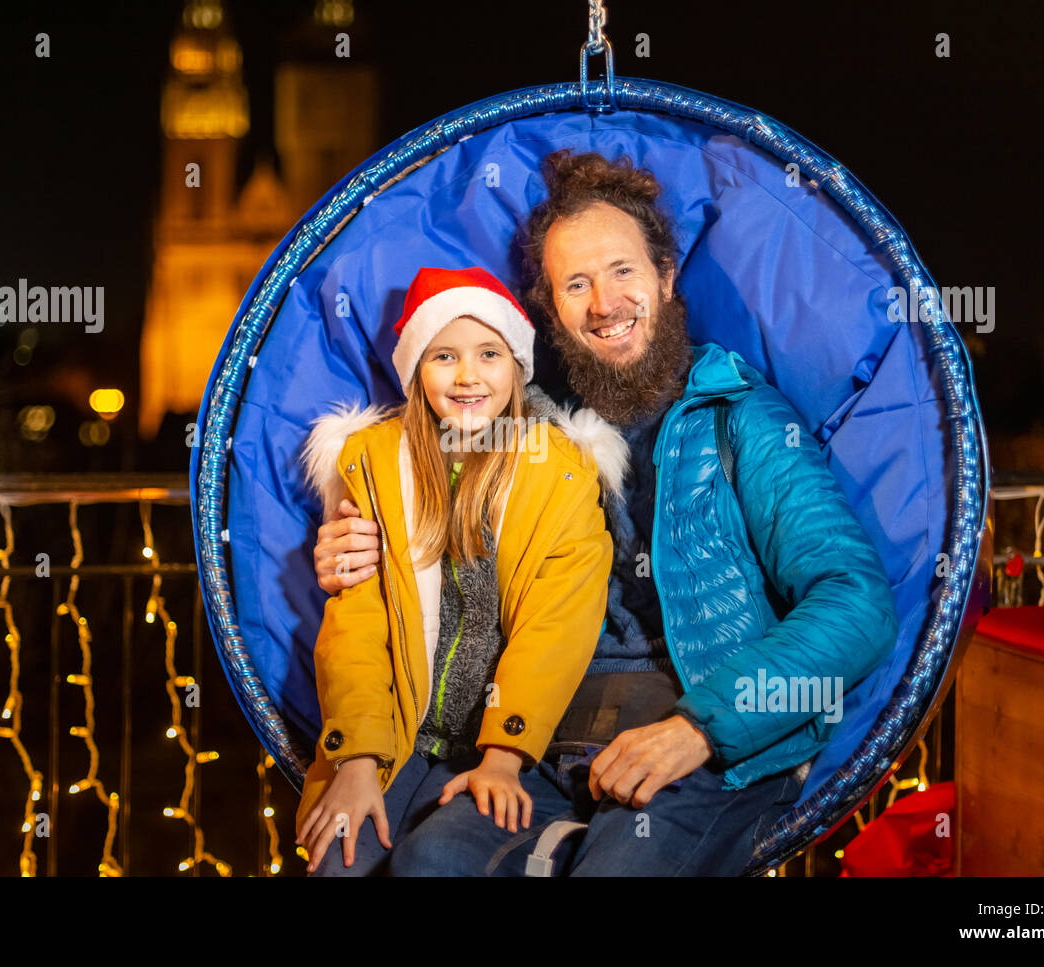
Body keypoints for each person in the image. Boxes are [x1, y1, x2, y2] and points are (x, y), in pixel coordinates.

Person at [312, 150, 901, 876]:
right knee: (428, 860)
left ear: (666, 276)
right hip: (537, 742)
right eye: (576, 283)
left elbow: (857, 601)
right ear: (550, 310)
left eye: (623, 272)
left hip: (700, 747)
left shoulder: (742, 420)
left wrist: (698, 728)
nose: (604, 303)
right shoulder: (524, 433)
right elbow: (414, 513)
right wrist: (350, 542)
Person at [294, 264, 626, 874]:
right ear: (417, 369)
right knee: (339, 859)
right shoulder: (373, 464)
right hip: (398, 735)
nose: (469, 376)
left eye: (489, 354)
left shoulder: (562, 472)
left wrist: (504, 753)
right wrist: (358, 759)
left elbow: (557, 628)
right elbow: (357, 623)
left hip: (511, 743)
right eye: (444, 355)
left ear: (517, 368)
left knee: (435, 861)